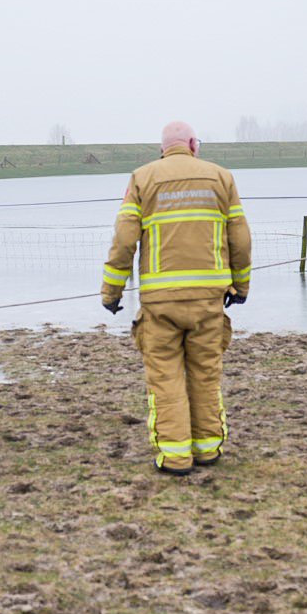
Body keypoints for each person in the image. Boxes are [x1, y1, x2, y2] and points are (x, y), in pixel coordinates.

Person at [101, 122, 251, 476]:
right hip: (209, 301)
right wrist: (240, 286)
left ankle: (174, 458)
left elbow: (124, 241)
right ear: (194, 145)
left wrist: (112, 291)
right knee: (205, 376)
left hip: (160, 303)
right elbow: (241, 239)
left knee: (166, 379)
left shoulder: (142, 178)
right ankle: (209, 450)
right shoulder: (222, 178)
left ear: (162, 149)